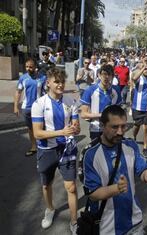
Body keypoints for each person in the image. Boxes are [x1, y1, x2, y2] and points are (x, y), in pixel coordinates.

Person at [83, 105, 147, 234]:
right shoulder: (90, 154)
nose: (121, 132)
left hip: (135, 220)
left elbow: (141, 169)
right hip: (107, 227)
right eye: (114, 127)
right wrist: (116, 188)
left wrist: (146, 175)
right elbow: (93, 194)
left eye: (124, 126)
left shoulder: (130, 145)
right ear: (102, 126)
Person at [31, 68, 80, 233]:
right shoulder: (39, 104)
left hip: (67, 149)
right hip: (47, 149)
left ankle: (74, 221)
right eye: (56, 81)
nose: (60, 85)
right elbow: (37, 133)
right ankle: (50, 209)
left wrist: (75, 128)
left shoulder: (70, 101)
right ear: (48, 83)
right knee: (46, 185)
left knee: (71, 187)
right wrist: (61, 132)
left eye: (62, 81)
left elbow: (77, 126)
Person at [14, 58, 47, 157]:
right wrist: (16, 106)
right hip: (27, 108)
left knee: (42, 126)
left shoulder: (42, 78)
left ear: (35, 67)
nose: (28, 69)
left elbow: (46, 92)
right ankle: (33, 147)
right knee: (30, 128)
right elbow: (18, 92)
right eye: (27, 67)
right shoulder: (23, 78)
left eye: (30, 67)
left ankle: (44, 146)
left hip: (40, 107)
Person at [80, 64, 121, 140]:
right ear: (99, 75)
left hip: (112, 129)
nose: (106, 77)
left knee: (111, 151)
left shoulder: (116, 90)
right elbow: (83, 114)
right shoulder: (90, 90)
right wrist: (102, 115)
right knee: (97, 151)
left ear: (112, 76)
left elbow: (119, 111)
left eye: (109, 74)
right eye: (104, 74)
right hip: (96, 129)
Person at [132, 62, 147, 156]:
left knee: (146, 128)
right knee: (136, 126)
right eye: (145, 69)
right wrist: (143, 68)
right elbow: (134, 79)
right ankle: (134, 136)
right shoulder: (139, 78)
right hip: (137, 107)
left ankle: (145, 146)